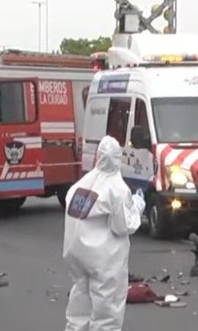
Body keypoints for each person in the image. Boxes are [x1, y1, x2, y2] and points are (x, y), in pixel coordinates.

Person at [62, 136, 146, 331]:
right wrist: (138, 205)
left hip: (78, 256)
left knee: (79, 308)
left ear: (98, 156)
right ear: (118, 158)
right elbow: (123, 226)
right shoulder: (117, 188)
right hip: (105, 261)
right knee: (107, 314)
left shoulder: (80, 186)